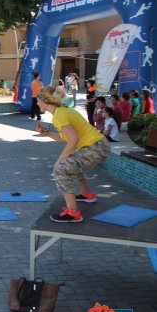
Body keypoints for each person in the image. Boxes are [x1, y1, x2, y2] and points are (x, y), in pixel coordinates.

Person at [36, 86, 111, 223]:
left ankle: (72, 212)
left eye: (38, 100)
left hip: (96, 147)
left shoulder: (59, 116)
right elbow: (67, 138)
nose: (37, 103)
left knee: (61, 169)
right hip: (99, 145)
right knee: (72, 164)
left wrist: (60, 160)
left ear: (45, 101)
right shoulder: (62, 111)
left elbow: (73, 140)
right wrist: (47, 134)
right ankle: (87, 194)